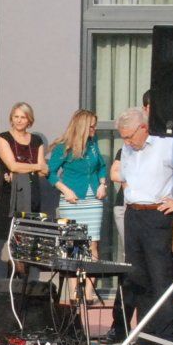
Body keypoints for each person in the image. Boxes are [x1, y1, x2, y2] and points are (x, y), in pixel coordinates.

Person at [110, 106, 173, 344]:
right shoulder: (128, 149)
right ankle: (146, 336)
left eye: (129, 136)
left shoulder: (167, 145)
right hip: (133, 214)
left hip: (158, 216)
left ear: (144, 128)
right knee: (137, 277)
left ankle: (165, 335)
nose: (126, 142)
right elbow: (126, 177)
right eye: (123, 137)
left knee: (160, 276)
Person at [48, 109, 108, 260]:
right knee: (73, 244)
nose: (95, 129)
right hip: (72, 200)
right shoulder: (63, 147)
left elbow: (101, 166)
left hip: (93, 201)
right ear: (82, 127)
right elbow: (50, 173)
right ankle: (74, 284)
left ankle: (89, 284)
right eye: (92, 127)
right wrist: (65, 190)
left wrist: (102, 184)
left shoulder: (93, 143)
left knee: (92, 244)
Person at [0, 101, 49, 234]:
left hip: (32, 192)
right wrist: (35, 166)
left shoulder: (36, 140)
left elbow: (44, 171)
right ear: (11, 118)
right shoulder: (3, 138)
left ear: (29, 120)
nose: (19, 120)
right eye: (16, 116)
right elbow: (12, 165)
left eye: (23, 117)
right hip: (10, 193)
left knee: (30, 232)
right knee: (9, 232)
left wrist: (22, 168)